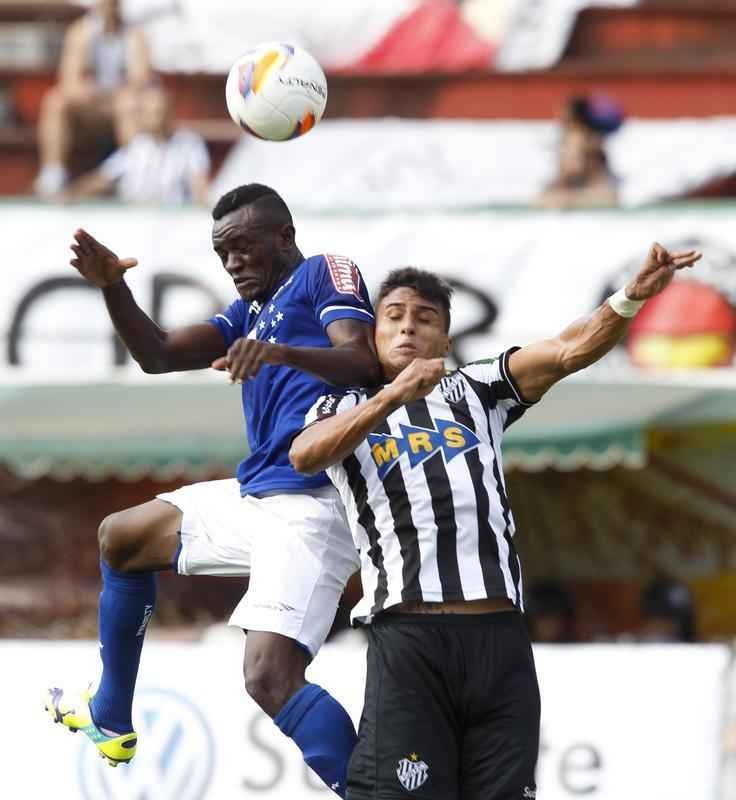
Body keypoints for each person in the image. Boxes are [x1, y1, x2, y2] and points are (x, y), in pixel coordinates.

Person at [289, 242, 702, 800]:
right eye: (395, 317)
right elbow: (304, 455)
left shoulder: (476, 390)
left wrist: (628, 298)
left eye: (425, 318)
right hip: (410, 639)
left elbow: (565, 351)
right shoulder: (339, 408)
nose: (409, 327)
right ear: (373, 334)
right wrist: (390, 398)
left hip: (499, 640)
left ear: (447, 340)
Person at [45, 183, 381, 797]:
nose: (233, 264)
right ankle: (111, 717)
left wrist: (280, 353)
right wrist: (111, 286)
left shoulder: (322, 274)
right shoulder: (247, 313)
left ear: (284, 236)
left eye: (244, 248)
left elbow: (365, 364)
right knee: (123, 537)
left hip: (316, 502)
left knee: (269, 676)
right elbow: (157, 354)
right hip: (260, 497)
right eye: (222, 254)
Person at [35, 0, 152, 197]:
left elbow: (139, 81)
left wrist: (104, 93)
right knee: (55, 102)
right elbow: (69, 81)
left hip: (121, 108)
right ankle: (53, 174)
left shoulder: (135, 34)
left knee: (128, 104)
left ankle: (134, 177)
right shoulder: (80, 32)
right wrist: (93, 94)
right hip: (91, 110)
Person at [59, 86, 211, 205]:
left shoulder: (189, 144)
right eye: (150, 112)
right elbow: (102, 179)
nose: (156, 117)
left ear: (169, 112)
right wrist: (71, 194)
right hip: (137, 220)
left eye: (159, 111)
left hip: (174, 222)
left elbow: (200, 187)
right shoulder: (137, 147)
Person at [536, 94, 622, 210]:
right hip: (599, 192)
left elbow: (571, 171)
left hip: (592, 193)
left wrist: (556, 188)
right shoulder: (591, 138)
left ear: (572, 115)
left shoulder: (576, 139)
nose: (559, 115)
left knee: (548, 200)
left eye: (563, 111)